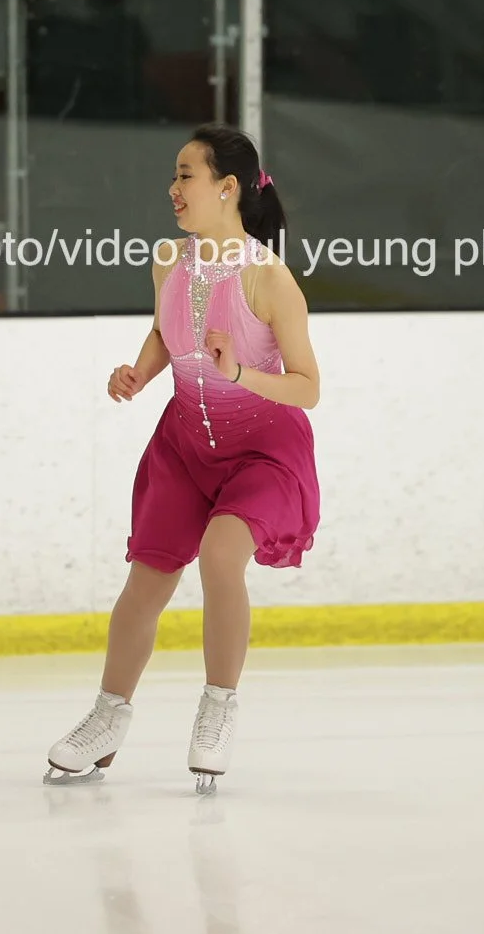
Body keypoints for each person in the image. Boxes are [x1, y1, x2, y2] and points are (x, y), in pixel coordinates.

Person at [43, 123, 322, 794]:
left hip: (262, 452)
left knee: (221, 557)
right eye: (174, 175)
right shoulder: (169, 259)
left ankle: (218, 707)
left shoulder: (269, 278)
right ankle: (107, 717)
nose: (173, 188)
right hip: (184, 445)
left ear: (227, 188)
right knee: (146, 582)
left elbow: (308, 387)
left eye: (186, 175)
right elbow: (165, 331)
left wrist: (240, 374)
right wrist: (139, 373)